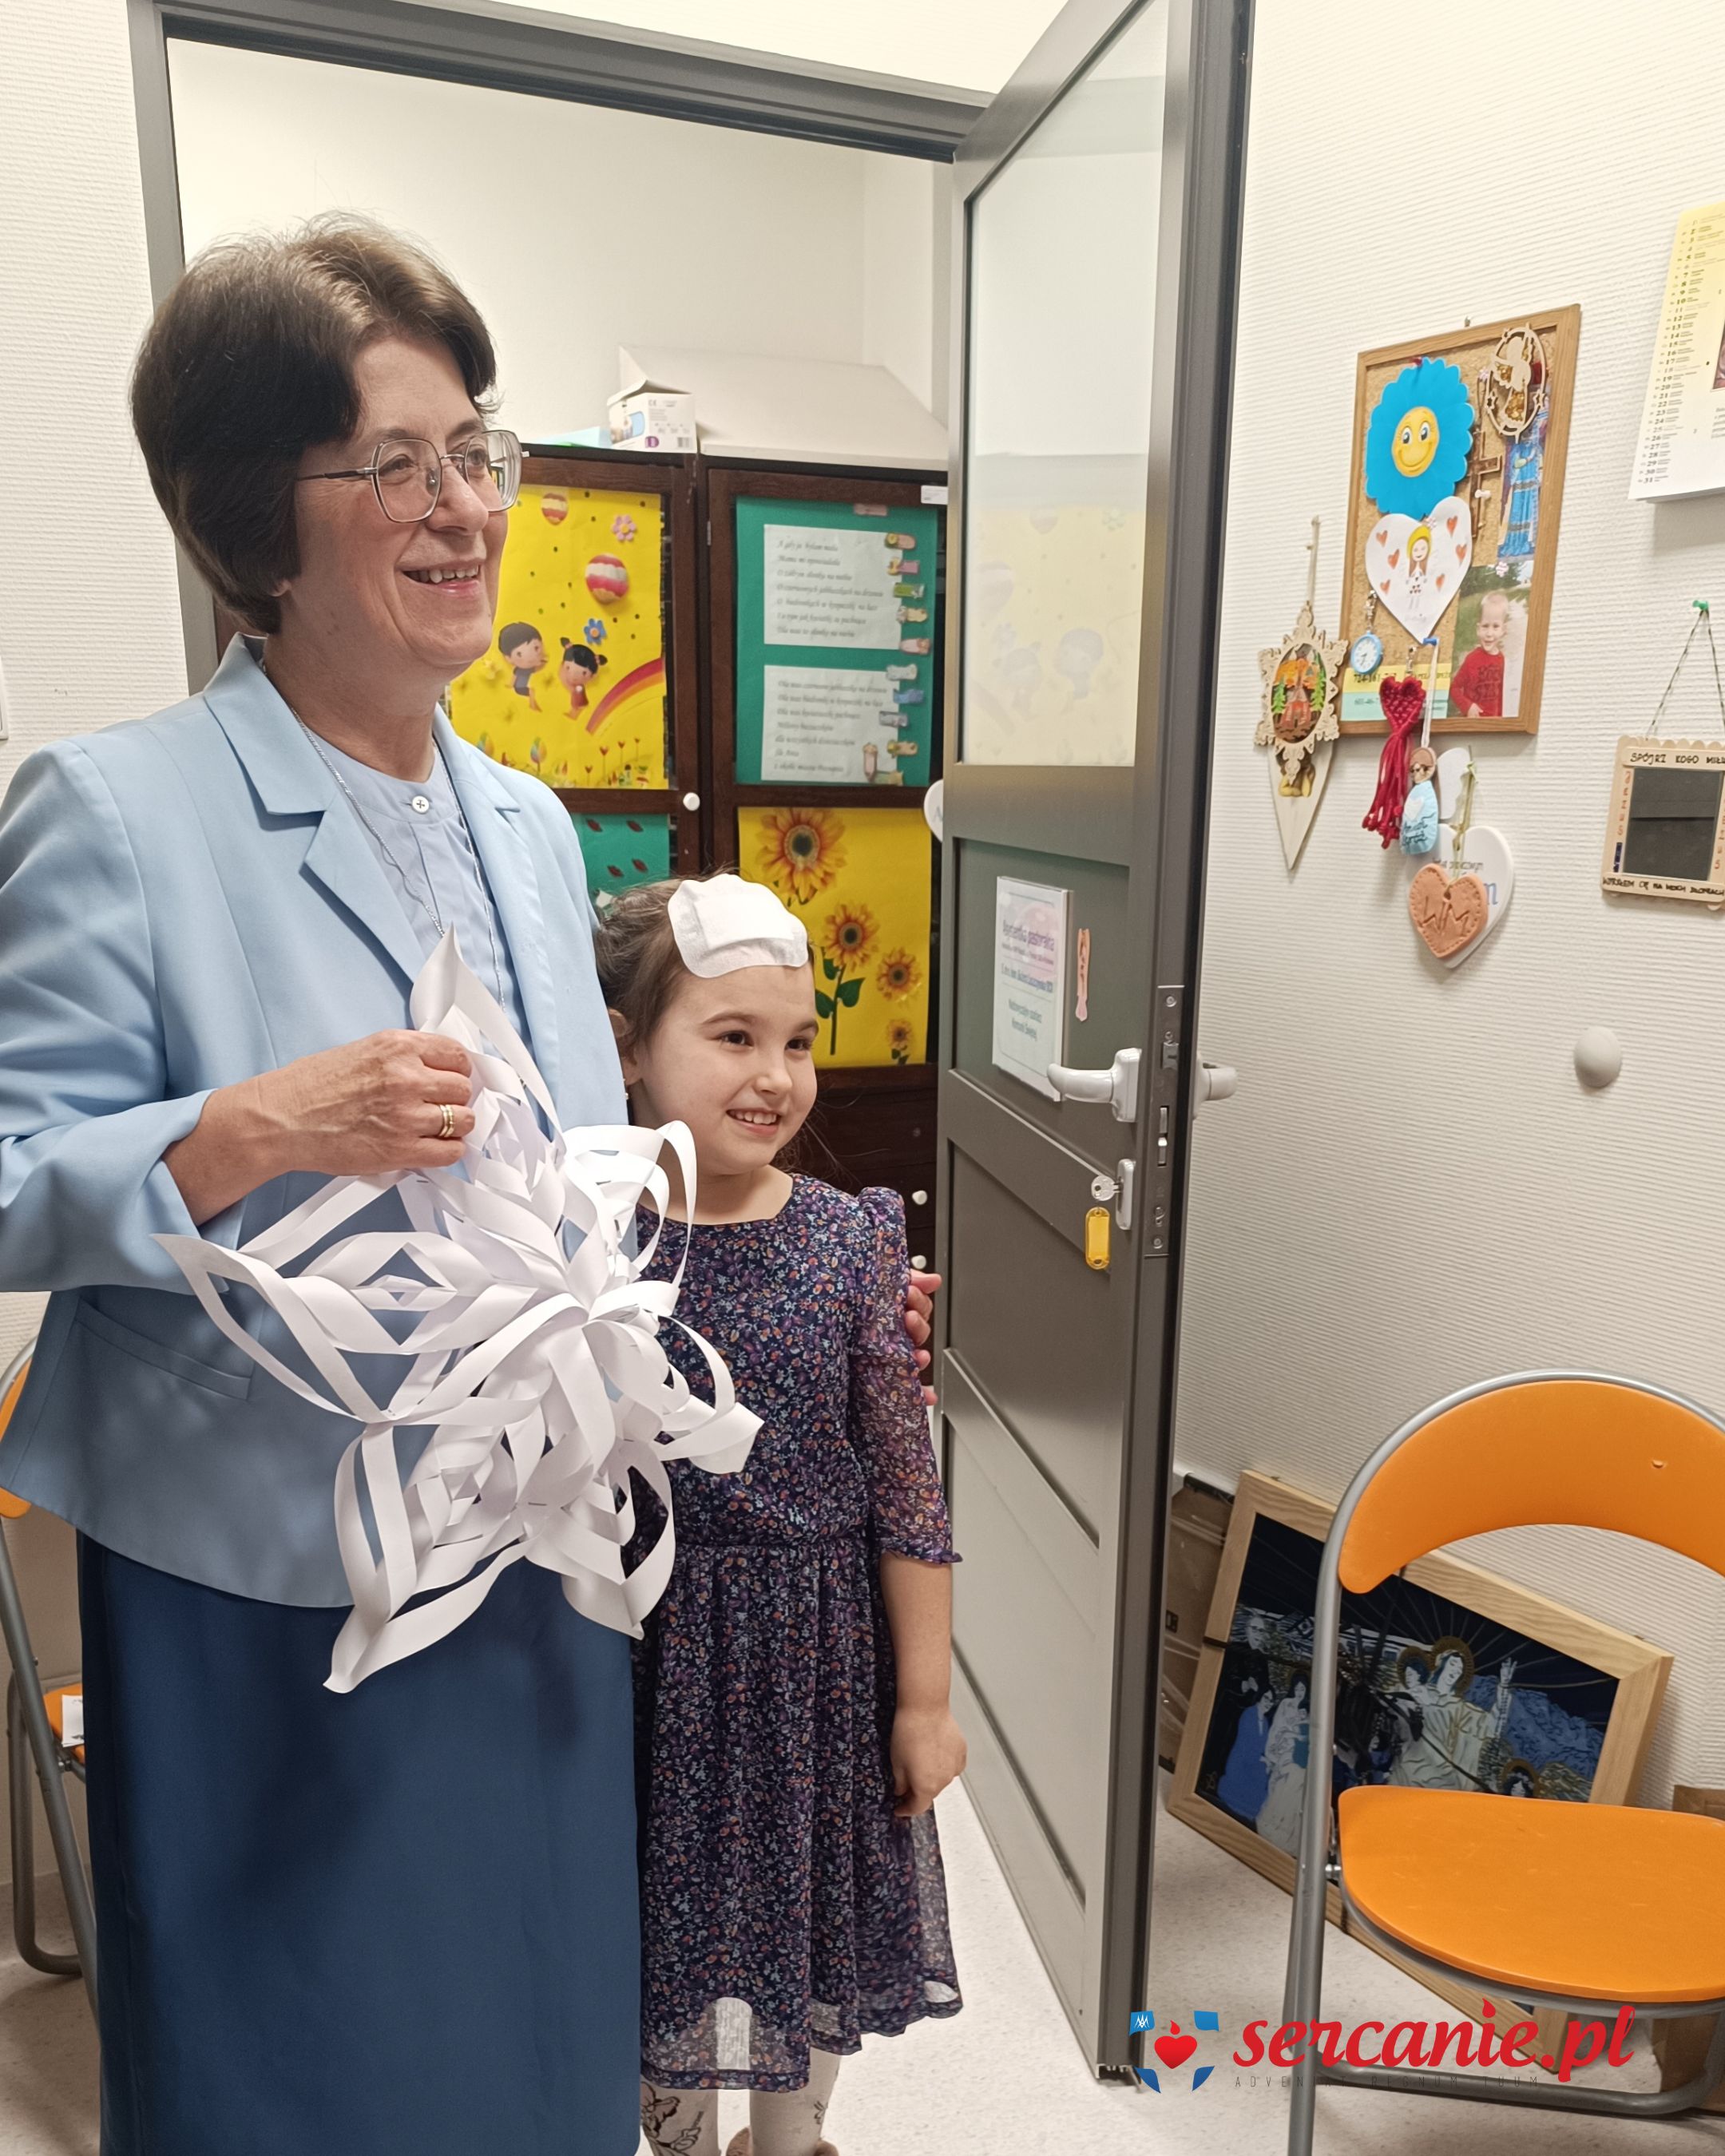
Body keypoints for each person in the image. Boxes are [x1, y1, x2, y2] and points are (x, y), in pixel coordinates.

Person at [0, 217, 938, 2156]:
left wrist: (796, 1284)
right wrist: (253, 1126)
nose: (465, 508)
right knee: (307, 2054)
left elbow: (574, 1185)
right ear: (254, 518)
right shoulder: (115, 808)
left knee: (534, 2024)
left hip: (542, 1556)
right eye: (396, 464)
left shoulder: (528, 822)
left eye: (475, 451)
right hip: (271, 1579)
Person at [596, 874, 965, 2156]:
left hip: (817, 1668)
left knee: (805, 1932)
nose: (774, 1076)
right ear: (630, 1048)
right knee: (671, 1937)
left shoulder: (852, 1241)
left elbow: (907, 1490)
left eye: (799, 1041)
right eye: (733, 1036)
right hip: (648, 1667)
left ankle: (792, 2144)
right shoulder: (584, 1243)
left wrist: (925, 1701)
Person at [1449, 589, 1509, 717]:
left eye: (1496, 626)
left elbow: (1502, 696)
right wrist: (1468, 706)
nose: (1489, 634)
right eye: (1485, 626)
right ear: (1478, 629)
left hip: (1494, 723)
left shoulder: (1503, 660)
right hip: (1474, 722)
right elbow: (1454, 688)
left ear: (1503, 630)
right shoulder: (1472, 659)